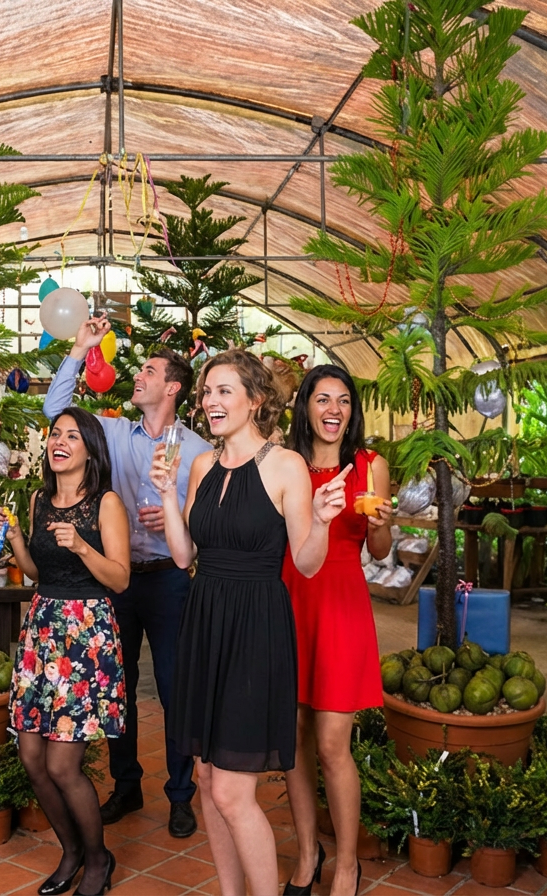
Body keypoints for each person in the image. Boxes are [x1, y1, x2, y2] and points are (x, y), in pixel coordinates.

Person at [154, 349, 348, 896]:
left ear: (255, 400)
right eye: (206, 393)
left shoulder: (285, 466)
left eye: (223, 391)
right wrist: (167, 495)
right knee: (207, 779)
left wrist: (326, 521)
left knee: (234, 794)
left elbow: (306, 562)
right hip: (204, 622)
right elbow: (183, 555)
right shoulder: (199, 465)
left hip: (254, 628)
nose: (210, 402)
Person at [44, 314, 210, 838]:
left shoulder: (202, 451)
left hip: (170, 578)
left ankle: (181, 794)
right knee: (117, 685)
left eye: (148, 369)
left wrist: (181, 518)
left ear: (173, 387)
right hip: (112, 580)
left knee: (176, 685)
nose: (136, 375)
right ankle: (126, 785)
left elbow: (212, 521)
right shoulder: (112, 433)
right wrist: (80, 347)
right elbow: (55, 410)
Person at [0, 406, 129, 896]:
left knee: (62, 765)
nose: (59, 442)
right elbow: (34, 571)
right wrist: (14, 539)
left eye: (72, 435)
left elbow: (121, 577)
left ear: (90, 448)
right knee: (32, 757)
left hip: (86, 635)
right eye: (55, 434)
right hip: (42, 631)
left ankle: (98, 859)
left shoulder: (106, 503)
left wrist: (82, 548)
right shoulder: (38, 500)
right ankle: (70, 849)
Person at [281, 365, 390, 896]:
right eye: (323, 399)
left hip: (341, 605)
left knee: (331, 745)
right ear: (305, 406)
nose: (333, 409)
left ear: (353, 411)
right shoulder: (286, 465)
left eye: (343, 400)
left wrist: (381, 524)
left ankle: (346, 863)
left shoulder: (370, 466)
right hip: (288, 602)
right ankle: (308, 854)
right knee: (293, 741)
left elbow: (380, 551)